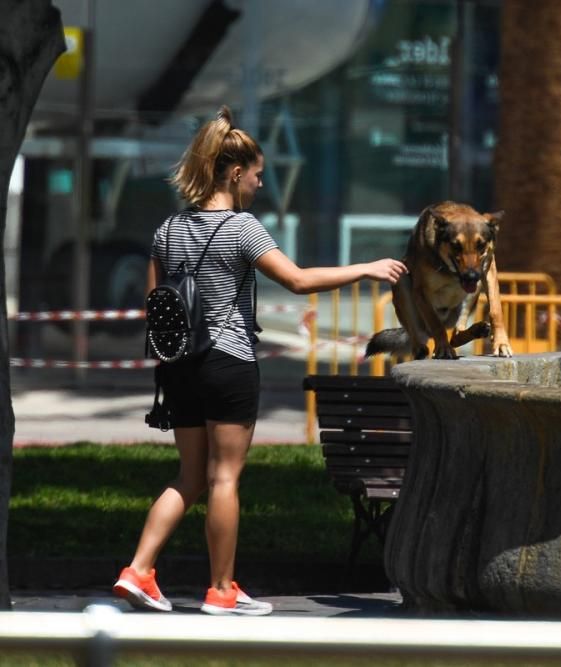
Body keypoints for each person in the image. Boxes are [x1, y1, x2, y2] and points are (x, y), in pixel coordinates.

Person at [112, 106, 406, 615]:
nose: (260, 184)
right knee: (224, 477)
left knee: (189, 476)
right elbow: (297, 280)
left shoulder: (167, 229)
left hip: (178, 367)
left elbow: (154, 307)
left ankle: (138, 571)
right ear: (233, 173)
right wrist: (367, 267)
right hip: (228, 362)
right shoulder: (242, 227)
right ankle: (221, 589)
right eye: (257, 175)